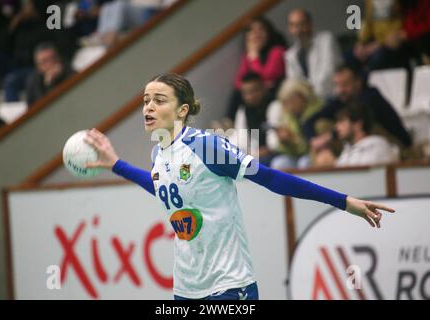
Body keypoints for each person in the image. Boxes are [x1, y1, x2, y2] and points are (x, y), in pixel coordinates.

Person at [83, 73, 394, 300]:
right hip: (186, 288)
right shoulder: (158, 151)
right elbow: (167, 192)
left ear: (182, 110)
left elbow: (271, 178)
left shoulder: (206, 146)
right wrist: (116, 164)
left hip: (230, 287)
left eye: (159, 100)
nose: (148, 107)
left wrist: (341, 201)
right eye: (146, 100)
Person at [303, 64, 412, 159]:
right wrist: (314, 140)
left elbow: (357, 122)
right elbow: (310, 121)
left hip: (395, 145)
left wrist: (328, 137)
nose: (340, 90)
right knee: (322, 125)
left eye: (345, 85)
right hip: (366, 146)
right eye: (337, 85)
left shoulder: (371, 97)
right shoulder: (342, 99)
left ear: (357, 83)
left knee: (359, 127)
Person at [226, 16, 287, 121]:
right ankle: (228, 123)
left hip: (273, 93)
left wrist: (254, 57)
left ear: (268, 32)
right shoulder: (248, 55)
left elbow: (266, 76)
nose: (256, 34)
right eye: (252, 31)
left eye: (260, 29)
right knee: (238, 94)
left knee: (251, 93)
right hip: (255, 95)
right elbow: (239, 83)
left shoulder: (277, 51)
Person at [317, 103, 399, 167]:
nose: (336, 126)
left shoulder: (377, 146)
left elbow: (365, 178)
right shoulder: (347, 150)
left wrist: (333, 164)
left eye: (341, 121)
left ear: (357, 124)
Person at [285, 8, 342, 98]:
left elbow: (329, 72)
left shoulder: (326, 40)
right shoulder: (290, 54)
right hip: (307, 100)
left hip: (332, 93)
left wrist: (312, 97)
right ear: (289, 29)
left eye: (302, 24)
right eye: (294, 25)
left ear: (310, 24)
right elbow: (294, 82)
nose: (298, 30)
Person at [268, 78, 323, 170]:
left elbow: (313, 146)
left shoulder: (318, 114)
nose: (288, 107)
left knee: (304, 163)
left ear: (301, 97)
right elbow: (284, 150)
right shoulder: (290, 115)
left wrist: (294, 140)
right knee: (278, 162)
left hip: (315, 155)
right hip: (296, 155)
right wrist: (284, 142)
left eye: (290, 101)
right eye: (285, 103)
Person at [228, 72, 275, 163]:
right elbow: (241, 139)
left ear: (263, 88)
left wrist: (267, 149)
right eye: (246, 93)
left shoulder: (274, 106)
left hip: (275, 153)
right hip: (255, 154)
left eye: (254, 91)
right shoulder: (243, 111)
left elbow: (274, 141)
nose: (250, 96)